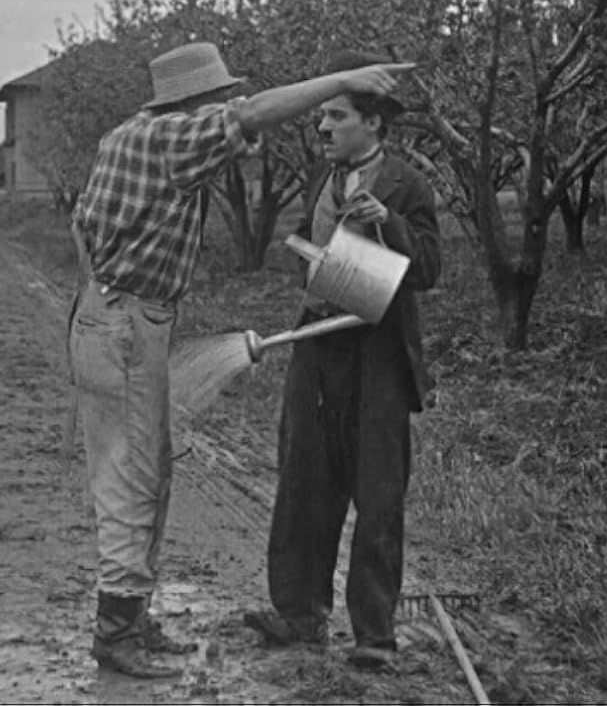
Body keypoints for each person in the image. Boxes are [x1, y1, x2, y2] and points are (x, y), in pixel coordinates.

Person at [68, 42, 415, 679]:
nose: (227, 107)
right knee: (132, 481)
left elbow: (80, 227)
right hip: (125, 323)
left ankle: (132, 617)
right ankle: (116, 634)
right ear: (192, 106)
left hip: (117, 315)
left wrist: (104, 299)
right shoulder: (170, 139)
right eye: (218, 98)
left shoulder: (124, 139)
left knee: (149, 474)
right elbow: (251, 116)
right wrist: (340, 75)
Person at [243, 49, 441, 672]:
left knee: (379, 495)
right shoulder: (320, 181)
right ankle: (299, 613)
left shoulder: (407, 184)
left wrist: (391, 227)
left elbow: (431, 269)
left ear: (374, 124)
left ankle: (374, 636)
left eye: (336, 115)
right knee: (304, 478)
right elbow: (313, 249)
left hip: (378, 358)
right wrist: (306, 255)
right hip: (317, 348)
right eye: (322, 116)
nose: (322, 127)